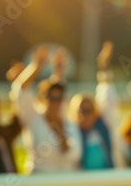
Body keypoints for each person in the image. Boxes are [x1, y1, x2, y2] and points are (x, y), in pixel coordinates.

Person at [10, 46, 82, 173]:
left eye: (59, 98)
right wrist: (36, 67)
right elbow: (21, 90)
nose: (55, 102)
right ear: (42, 98)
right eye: (51, 98)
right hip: (40, 179)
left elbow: (74, 155)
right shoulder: (33, 118)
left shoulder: (69, 122)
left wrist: (62, 136)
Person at [68, 41, 119, 170]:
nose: (84, 114)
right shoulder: (71, 131)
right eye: (80, 110)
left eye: (88, 110)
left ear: (95, 111)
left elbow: (106, 91)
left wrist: (104, 66)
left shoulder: (104, 124)